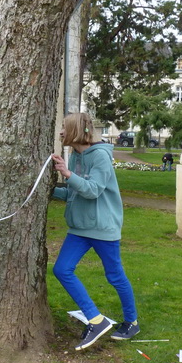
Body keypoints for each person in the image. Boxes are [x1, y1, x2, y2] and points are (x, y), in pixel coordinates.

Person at [52, 112, 139, 350]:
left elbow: (93, 190)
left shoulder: (100, 156)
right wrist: (49, 190)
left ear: (76, 132)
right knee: (62, 270)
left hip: (103, 227)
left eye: (65, 127)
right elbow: (74, 193)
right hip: (80, 227)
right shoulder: (75, 156)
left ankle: (132, 322)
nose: (61, 132)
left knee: (115, 276)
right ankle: (96, 320)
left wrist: (68, 175)